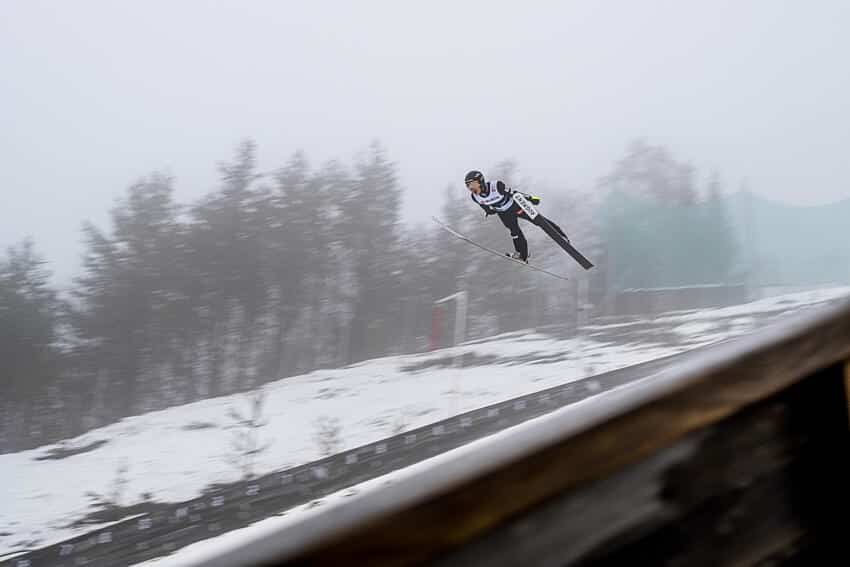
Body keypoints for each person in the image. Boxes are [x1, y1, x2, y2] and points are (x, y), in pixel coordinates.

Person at [465, 170, 569, 262]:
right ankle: (522, 255)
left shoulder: (496, 186)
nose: (471, 188)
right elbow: (486, 207)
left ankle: (561, 236)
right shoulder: (475, 197)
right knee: (514, 232)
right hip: (504, 213)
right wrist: (488, 211)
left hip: (515, 206)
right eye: (468, 186)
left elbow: (514, 193)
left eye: (473, 184)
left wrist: (530, 198)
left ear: (481, 181)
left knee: (538, 221)